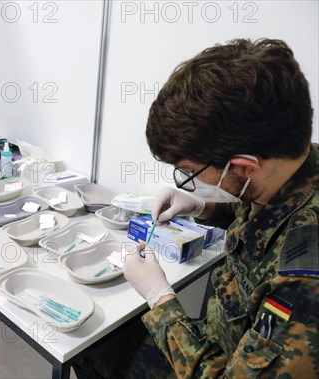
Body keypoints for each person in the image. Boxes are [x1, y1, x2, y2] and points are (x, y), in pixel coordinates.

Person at [75, 38, 318, 378]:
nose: (189, 179)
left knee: (92, 349)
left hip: (221, 364)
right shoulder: (293, 158)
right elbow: (266, 217)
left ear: (245, 167)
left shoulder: (303, 285)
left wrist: (160, 298)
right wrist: (204, 207)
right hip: (219, 335)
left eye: (191, 172)